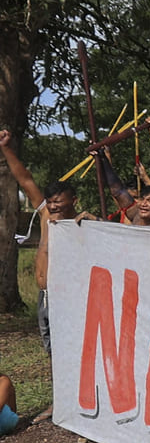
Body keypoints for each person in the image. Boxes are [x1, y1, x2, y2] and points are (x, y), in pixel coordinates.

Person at [0, 129, 78, 356]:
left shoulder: (80, 224)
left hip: (65, 295)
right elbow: (25, 180)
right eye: (51, 202)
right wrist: (5, 147)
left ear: (73, 201)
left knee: (68, 350)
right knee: (51, 350)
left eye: (58, 202)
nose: (53, 206)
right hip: (44, 295)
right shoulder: (45, 215)